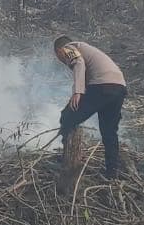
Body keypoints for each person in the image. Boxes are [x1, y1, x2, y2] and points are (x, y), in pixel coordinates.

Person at [54, 35, 127, 179]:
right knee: (109, 132)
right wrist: (79, 94)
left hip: (102, 86)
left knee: (67, 116)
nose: (61, 60)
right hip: (118, 88)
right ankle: (112, 173)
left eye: (58, 56)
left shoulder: (69, 47)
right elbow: (88, 80)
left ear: (59, 50)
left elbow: (78, 63)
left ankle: (67, 162)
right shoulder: (88, 50)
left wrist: (77, 92)